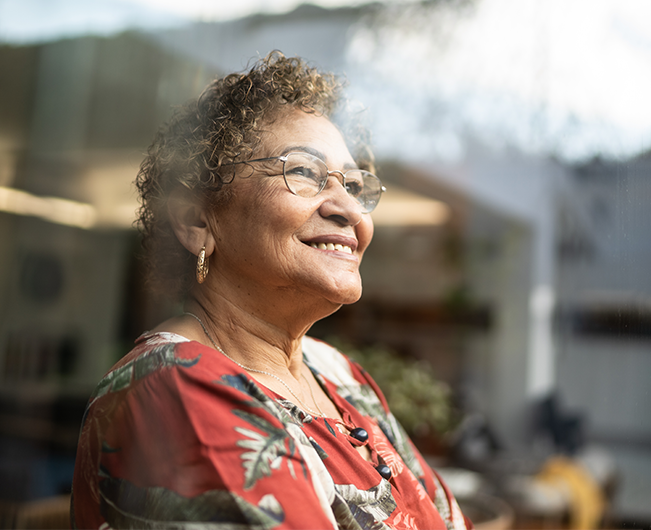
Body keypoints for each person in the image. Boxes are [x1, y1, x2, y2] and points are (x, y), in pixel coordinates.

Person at [71, 52, 472, 530]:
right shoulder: (175, 386)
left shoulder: (337, 374)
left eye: (354, 184)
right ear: (197, 220)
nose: (349, 208)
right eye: (303, 171)